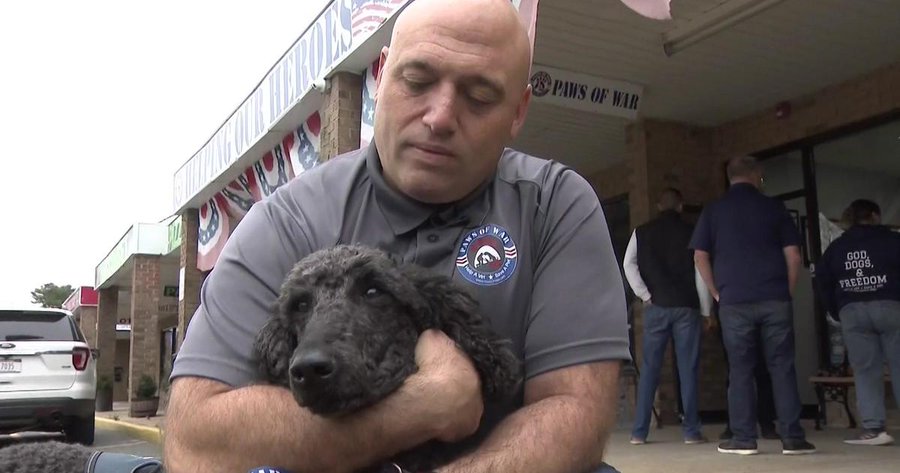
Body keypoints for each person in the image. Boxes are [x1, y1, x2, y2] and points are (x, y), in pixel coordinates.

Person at [162, 1, 631, 472]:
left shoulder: (553, 205)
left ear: (518, 111)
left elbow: (575, 412)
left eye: (481, 95)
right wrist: (421, 407)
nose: (440, 116)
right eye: (418, 80)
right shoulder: (288, 220)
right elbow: (195, 442)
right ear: (382, 75)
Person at [690, 156, 816, 456]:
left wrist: (715, 292)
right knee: (782, 366)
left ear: (729, 176)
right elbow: (794, 255)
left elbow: (699, 256)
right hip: (774, 297)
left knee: (740, 370)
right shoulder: (774, 207)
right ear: (756, 175)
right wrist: (785, 290)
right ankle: (792, 438)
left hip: (734, 301)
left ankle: (744, 438)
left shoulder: (714, 211)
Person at [623, 188, 713, 445]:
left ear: (660, 206)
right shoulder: (692, 231)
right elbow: (700, 271)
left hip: (657, 305)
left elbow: (628, 263)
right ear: (681, 206)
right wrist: (706, 310)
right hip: (687, 306)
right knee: (688, 368)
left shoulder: (642, 232)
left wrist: (645, 295)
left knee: (650, 368)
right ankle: (691, 431)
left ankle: (639, 432)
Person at [817, 199, 900, 446]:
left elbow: (823, 280)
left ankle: (874, 429)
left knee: (865, 370)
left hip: (851, 310)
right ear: (875, 216)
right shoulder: (893, 241)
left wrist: (837, 310)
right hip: (890, 305)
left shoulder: (837, 247)